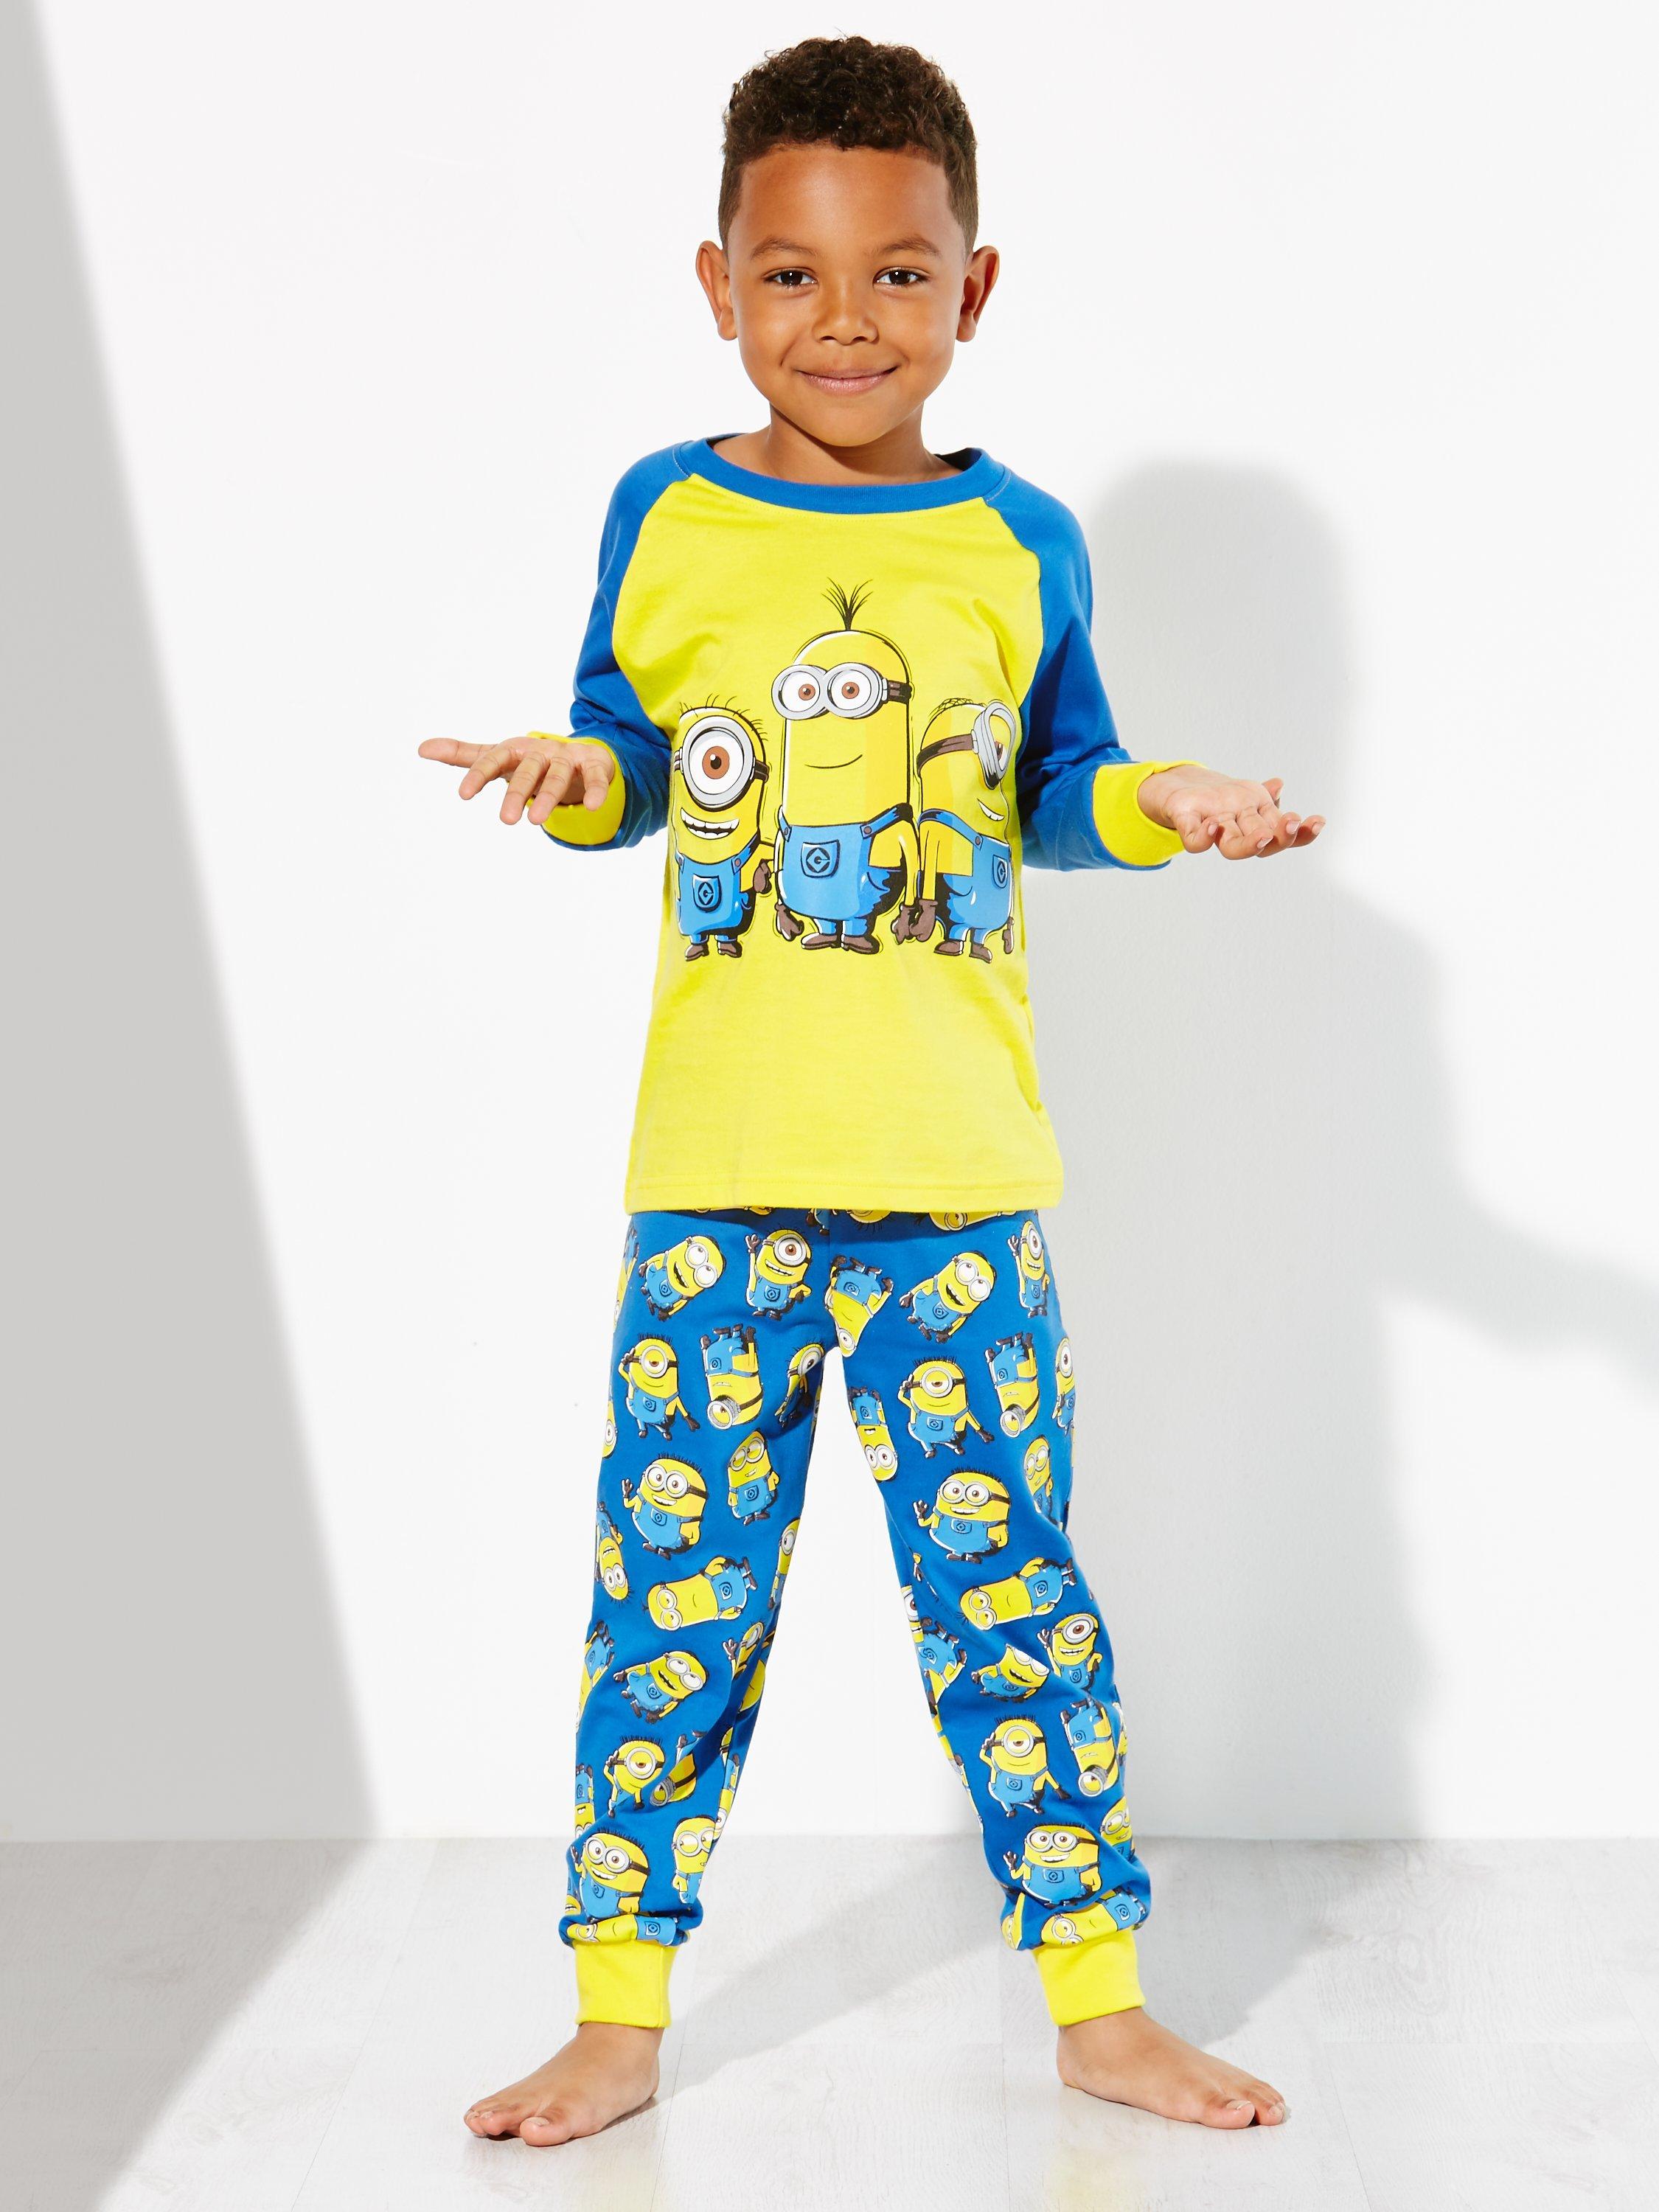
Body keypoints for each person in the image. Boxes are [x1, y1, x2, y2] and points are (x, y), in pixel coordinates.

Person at [420, 34, 1322, 2143]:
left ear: (972, 288)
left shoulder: (1020, 541)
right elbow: (634, 756)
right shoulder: (667, 512)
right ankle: (617, 2015)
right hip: (717, 1185)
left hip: (958, 1188)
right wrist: (570, 778)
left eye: (899, 275)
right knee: (674, 1610)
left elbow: (1055, 787)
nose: (846, 320)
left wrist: (1161, 801)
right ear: (718, 285)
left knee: (1016, 1611)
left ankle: (1098, 2006)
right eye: (793, 276)